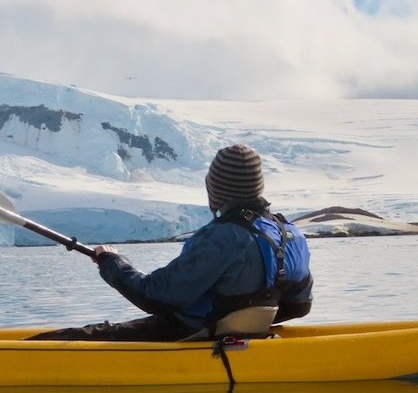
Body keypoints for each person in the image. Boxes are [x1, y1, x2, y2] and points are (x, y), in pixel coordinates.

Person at [23, 143, 313, 341]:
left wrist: (112, 263)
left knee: (74, 338)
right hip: (229, 335)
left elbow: (156, 296)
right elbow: (299, 307)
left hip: (190, 334)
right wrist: (243, 322)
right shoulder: (290, 233)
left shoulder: (222, 237)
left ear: (218, 189)